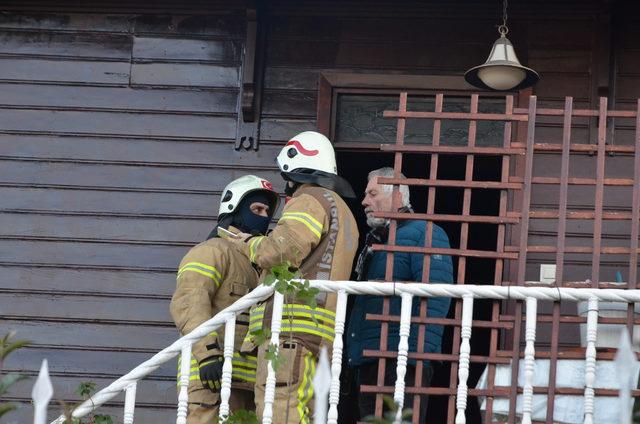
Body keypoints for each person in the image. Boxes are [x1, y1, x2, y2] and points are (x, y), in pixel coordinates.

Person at [229, 131, 359, 423]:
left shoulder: (309, 199)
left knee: (279, 407)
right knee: (306, 412)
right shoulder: (343, 211)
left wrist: (249, 243)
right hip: (321, 331)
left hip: (290, 328)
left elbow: (280, 252)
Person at [345, 167, 454, 422]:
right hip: (370, 358)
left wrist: (411, 355)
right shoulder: (380, 239)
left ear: (396, 196)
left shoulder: (424, 234)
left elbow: (436, 298)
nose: (364, 201)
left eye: (372, 194)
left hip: (402, 361)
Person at [169, 175, 279, 423]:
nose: (263, 216)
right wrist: (207, 354)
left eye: (266, 211)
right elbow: (189, 302)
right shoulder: (211, 251)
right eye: (256, 209)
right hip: (209, 379)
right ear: (235, 208)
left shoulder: (260, 265)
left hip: (247, 384)